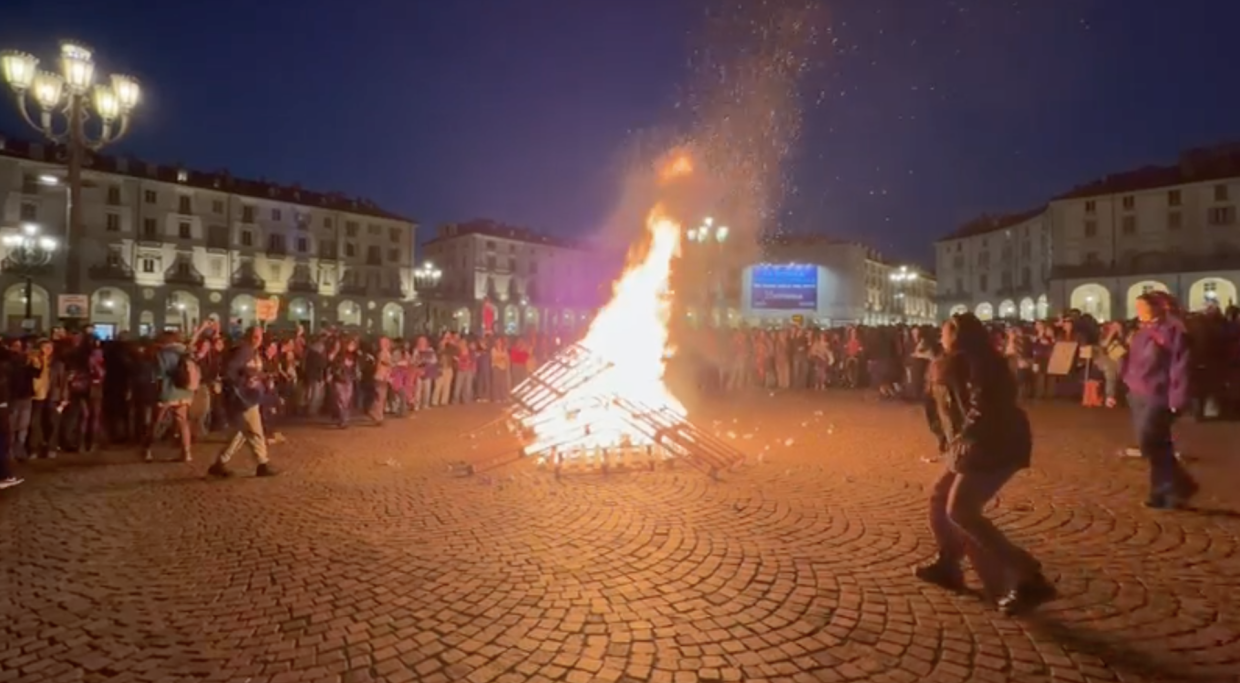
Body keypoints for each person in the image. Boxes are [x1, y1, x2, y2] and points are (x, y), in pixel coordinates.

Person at [916, 312, 1052, 615]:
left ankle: (1029, 576)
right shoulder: (949, 361)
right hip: (968, 445)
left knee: (961, 510)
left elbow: (986, 405)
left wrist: (966, 437)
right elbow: (938, 404)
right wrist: (945, 437)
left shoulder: (984, 363)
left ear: (958, 333)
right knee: (940, 499)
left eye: (945, 331)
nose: (941, 336)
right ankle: (950, 563)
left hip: (995, 445)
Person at [1123, 291, 1198, 509]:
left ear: (1157, 308)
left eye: (1142, 307)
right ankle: (1171, 488)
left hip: (1159, 394)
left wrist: (1178, 397)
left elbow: (1180, 367)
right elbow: (1132, 359)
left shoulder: (1173, 332)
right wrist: (1127, 380)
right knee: (1156, 446)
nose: (1138, 312)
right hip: (1137, 393)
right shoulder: (1140, 333)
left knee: (1149, 440)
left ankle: (1172, 487)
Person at [209, 326, 275, 478]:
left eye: (259, 336)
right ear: (247, 336)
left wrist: (262, 377)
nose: (257, 339)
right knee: (255, 430)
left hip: (251, 395)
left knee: (240, 433)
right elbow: (229, 371)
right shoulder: (243, 350)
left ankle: (220, 463)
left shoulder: (252, 351)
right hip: (243, 397)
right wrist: (244, 381)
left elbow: (250, 371)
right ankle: (262, 463)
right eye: (254, 336)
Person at [142, 331, 195, 463]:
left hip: (167, 390)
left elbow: (158, 375)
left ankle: (147, 450)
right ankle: (186, 452)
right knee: (183, 422)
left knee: (157, 421)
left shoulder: (162, 354)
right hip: (184, 390)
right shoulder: (186, 352)